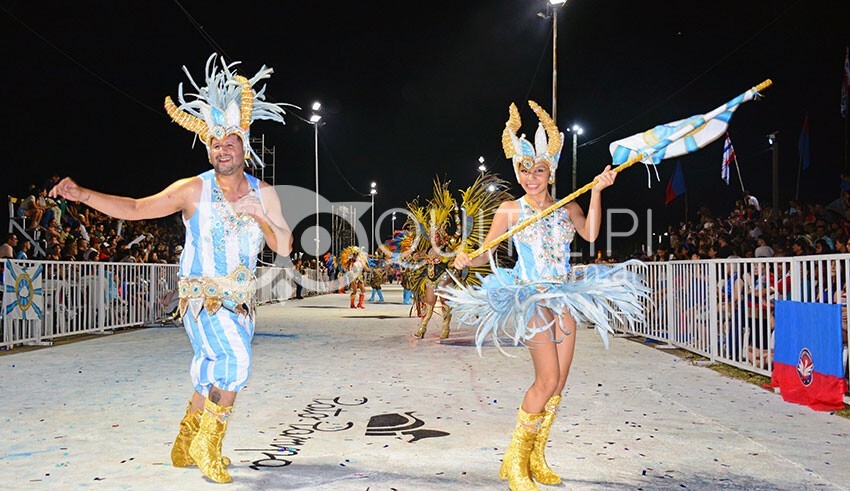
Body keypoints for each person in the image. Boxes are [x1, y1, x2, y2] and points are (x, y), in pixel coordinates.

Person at [49, 53, 293, 484]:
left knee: (210, 371)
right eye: (215, 144)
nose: (221, 149)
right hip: (203, 300)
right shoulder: (192, 189)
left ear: (243, 145)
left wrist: (259, 215)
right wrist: (83, 194)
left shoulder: (264, 191)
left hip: (242, 302)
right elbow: (136, 208)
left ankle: (184, 443)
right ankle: (207, 445)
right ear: (209, 148)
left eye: (229, 143)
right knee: (235, 362)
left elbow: (284, 245)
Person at [441, 101, 646, 491]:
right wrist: (467, 256)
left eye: (537, 170)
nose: (530, 177)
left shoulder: (567, 206)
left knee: (559, 382)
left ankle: (536, 456)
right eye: (524, 170)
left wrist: (598, 192)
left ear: (550, 170)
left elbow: (589, 234)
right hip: (531, 297)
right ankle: (515, 462)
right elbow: (486, 252)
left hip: (564, 296)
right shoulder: (510, 209)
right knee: (546, 377)